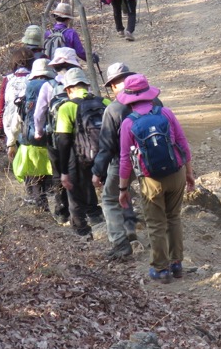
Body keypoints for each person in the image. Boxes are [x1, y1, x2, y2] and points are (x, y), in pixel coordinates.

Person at [117, 74, 196, 282]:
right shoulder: (166, 113)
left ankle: (161, 269)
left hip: (150, 180)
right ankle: (177, 264)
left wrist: (123, 189)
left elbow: (125, 159)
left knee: (156, 224)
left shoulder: (128, 124)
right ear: (149, 94)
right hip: (176, 172)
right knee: (174, 218)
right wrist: (189, 172)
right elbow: (182, 143)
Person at [91, 63, 149, 259]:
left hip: (122, 162)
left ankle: (120, 242)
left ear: (113, 86)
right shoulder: (154, 101)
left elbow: (106, 145)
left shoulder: (114, 109)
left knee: (110, 197)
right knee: (132, 193)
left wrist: (98, 171)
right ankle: (131, 228)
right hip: (150, 159)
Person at [54, 68, 107, 237]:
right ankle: (108, 224)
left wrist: (63, 172)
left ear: (68, 89)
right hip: (105, 158)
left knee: (75, 198)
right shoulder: (105, 103)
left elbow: (63, 141)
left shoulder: (66, 107)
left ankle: (83, 234)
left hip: (78, 159)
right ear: (87, 85)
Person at [34, 47, 82, 225]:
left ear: (55, 67)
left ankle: (62, 212)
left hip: (55, 137)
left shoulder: (49, 86)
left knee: (58, 173)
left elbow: (39, 113)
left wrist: (39, 131)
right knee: (78, 170)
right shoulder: (82, 84)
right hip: (79, 138)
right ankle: (79, 209)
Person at [11, 58, 55, 210]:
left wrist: (11, 141)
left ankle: (41, 208)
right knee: (53, 177)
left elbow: (17, 118)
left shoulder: (26, 90)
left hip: (29, 142)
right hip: (52, 141)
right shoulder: (55, 87)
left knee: (34, 177)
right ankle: (60, 209)